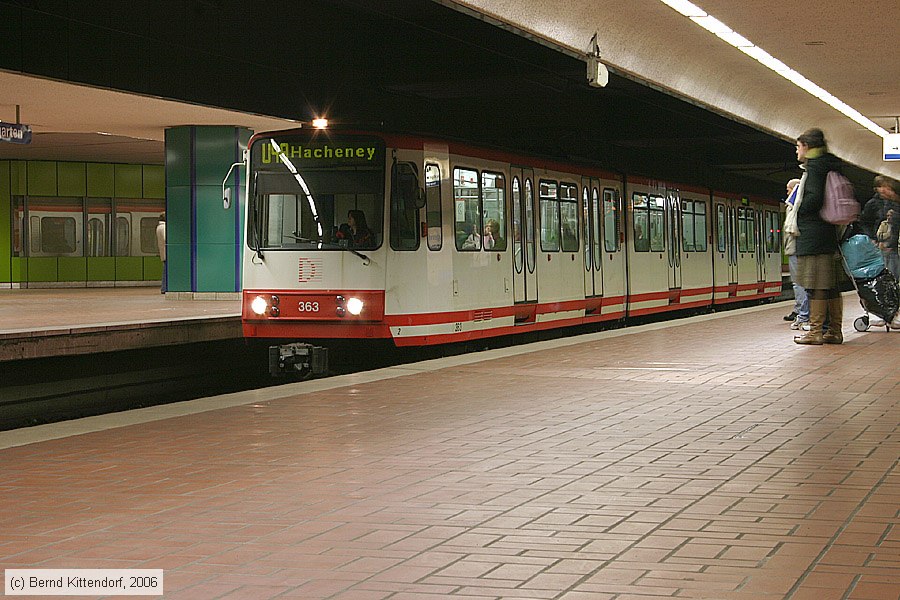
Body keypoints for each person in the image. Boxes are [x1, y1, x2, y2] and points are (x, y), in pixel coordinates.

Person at [791, 128, 847, 345]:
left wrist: (799, 210)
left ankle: (815, 332)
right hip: (827, 233)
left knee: (816, 285)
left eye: (798, 146)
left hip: (815, 235)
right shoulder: (829, 164)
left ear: (807, 146)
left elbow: (814, 199)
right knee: (830, 285)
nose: (796, 150)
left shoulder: (815, 168)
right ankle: (834, 330)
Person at [782, 178, 809, 330]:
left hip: (795, 248)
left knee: (798, 282)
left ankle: (802, 312)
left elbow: (791, 229)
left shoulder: (794, 204)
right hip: (798, 248)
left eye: (788, 189)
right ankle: (801, 311)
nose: (787, 192)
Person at [861, 177, 900, 278]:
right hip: (887, 244)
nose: (883, 190)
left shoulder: (895, 202)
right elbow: (865, 222)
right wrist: (873, 238)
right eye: (880, 187)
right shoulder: (874, 203)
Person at [155, 213, 167, 294]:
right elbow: (167, 239)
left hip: (163, 252)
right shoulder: (164, 227)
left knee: (165, 270)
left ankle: (164, 288)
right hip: (167, 252)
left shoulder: (159, 227)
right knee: (166, 272)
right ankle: (164, 288)